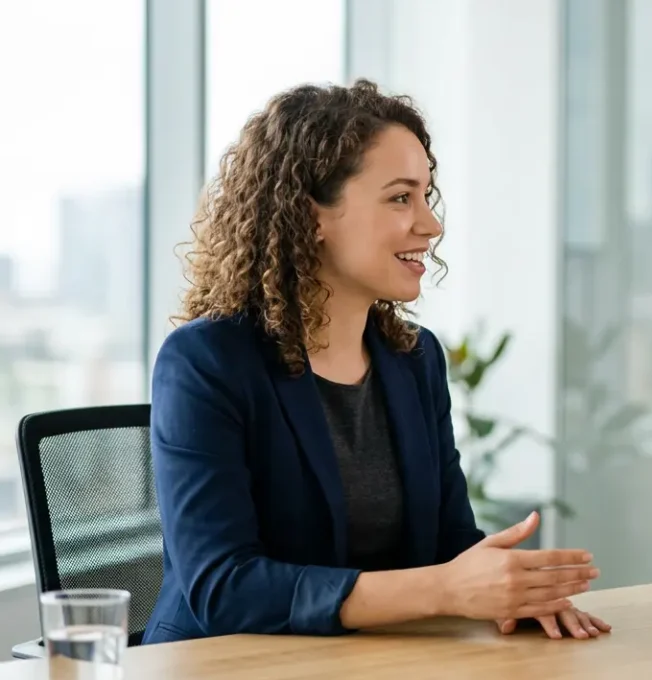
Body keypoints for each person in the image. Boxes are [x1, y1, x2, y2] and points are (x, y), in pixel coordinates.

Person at [144, 80, 610, 644]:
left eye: (426, 196)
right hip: (224, 664)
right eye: (399, 198)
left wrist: (513, 589)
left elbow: (448, 543)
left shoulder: (414, 360)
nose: (430, 225)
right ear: (310, 215)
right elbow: (223, 587)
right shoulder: (207, 361)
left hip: (372, 662)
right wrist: (444, 589)